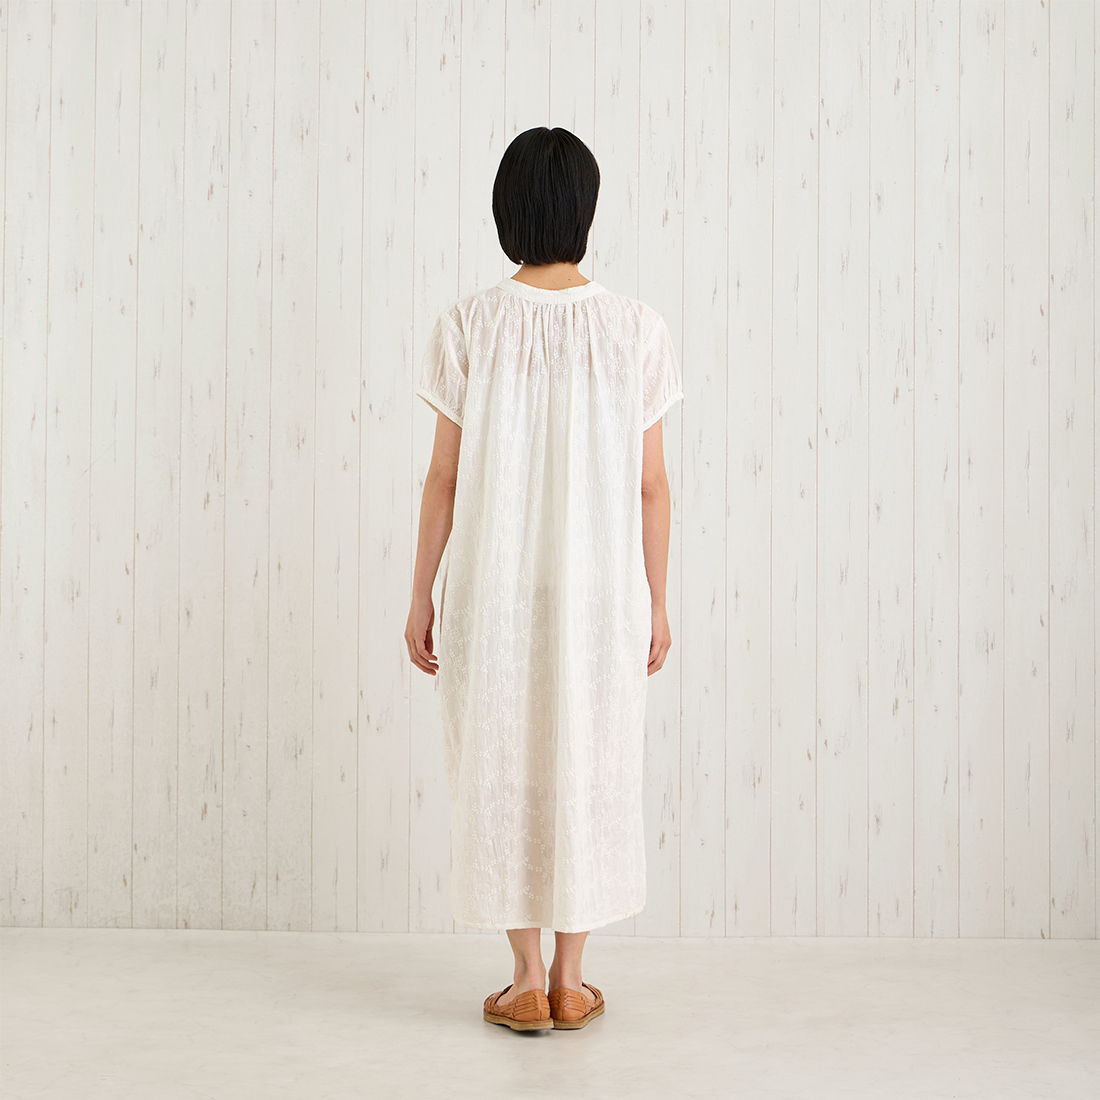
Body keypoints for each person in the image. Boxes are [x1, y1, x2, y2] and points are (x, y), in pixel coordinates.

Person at [404, 126, 683, 1032]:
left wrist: (421, 593)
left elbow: (443, 478)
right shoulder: (637, 328)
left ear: (507, 210)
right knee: (590, 761)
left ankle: (523, 978)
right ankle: (571, 977)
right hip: (602, 594)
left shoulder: (469, 324)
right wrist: (658, 600)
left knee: (502, 760)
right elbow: (650, 484)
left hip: (494, 592)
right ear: (586, 211)